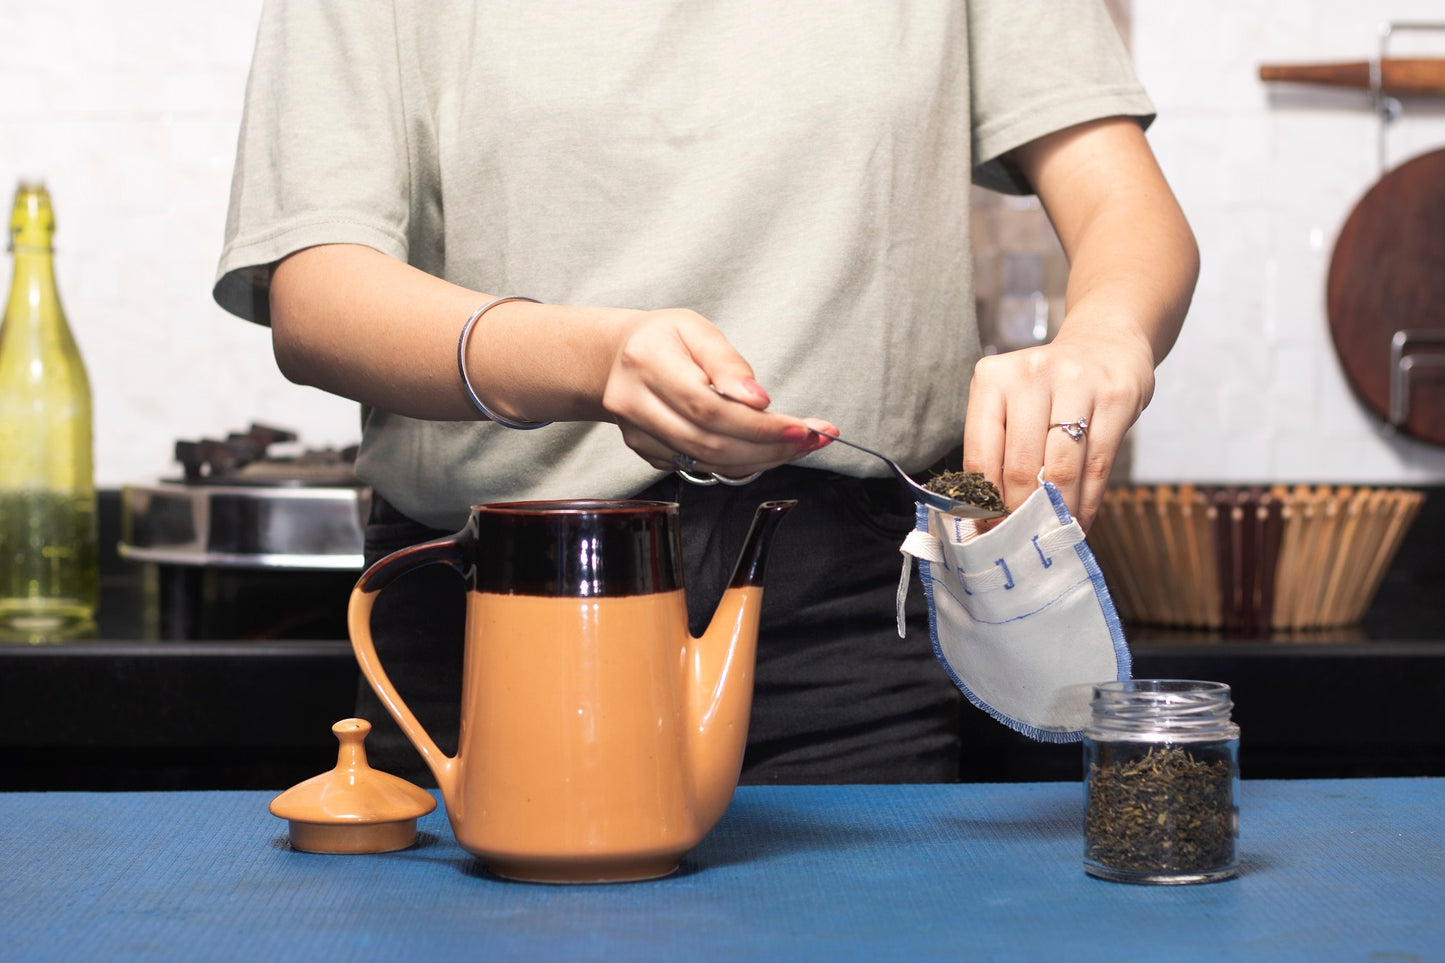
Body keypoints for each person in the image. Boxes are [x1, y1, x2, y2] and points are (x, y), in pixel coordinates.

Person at [214, 0, 1198, 785]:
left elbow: (1120, 199)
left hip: (846, 615)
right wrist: (593, 360)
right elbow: (317, 297)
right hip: (498, 611)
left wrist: (1106, 340)